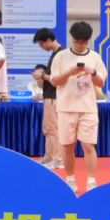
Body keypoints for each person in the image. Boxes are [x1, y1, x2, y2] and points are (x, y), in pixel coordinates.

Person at [51, 21, 108, 193]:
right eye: (77, 41)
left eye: (84, 42)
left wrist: (92, 72)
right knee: (67, 146)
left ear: (89, 40)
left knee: (89, 145)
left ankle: (91, 182)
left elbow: (101, 83)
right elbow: (54, 81)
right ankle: (70, 180)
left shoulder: (95, 57)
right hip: (66, 107)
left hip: (88, 108)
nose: (80, 45)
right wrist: (70, 72)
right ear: (72, 38)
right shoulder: (61, 56)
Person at [33, 27, 63, 169]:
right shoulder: (55, 54)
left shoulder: (60, 55)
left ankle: (58, 160)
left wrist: (42, 75)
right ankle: (49, 156)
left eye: (41, 44)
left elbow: (59, 78)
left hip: (54, 96)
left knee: (53, 129)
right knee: (48, 129)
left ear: (49, 40)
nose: (41, 47)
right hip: (49, 96)